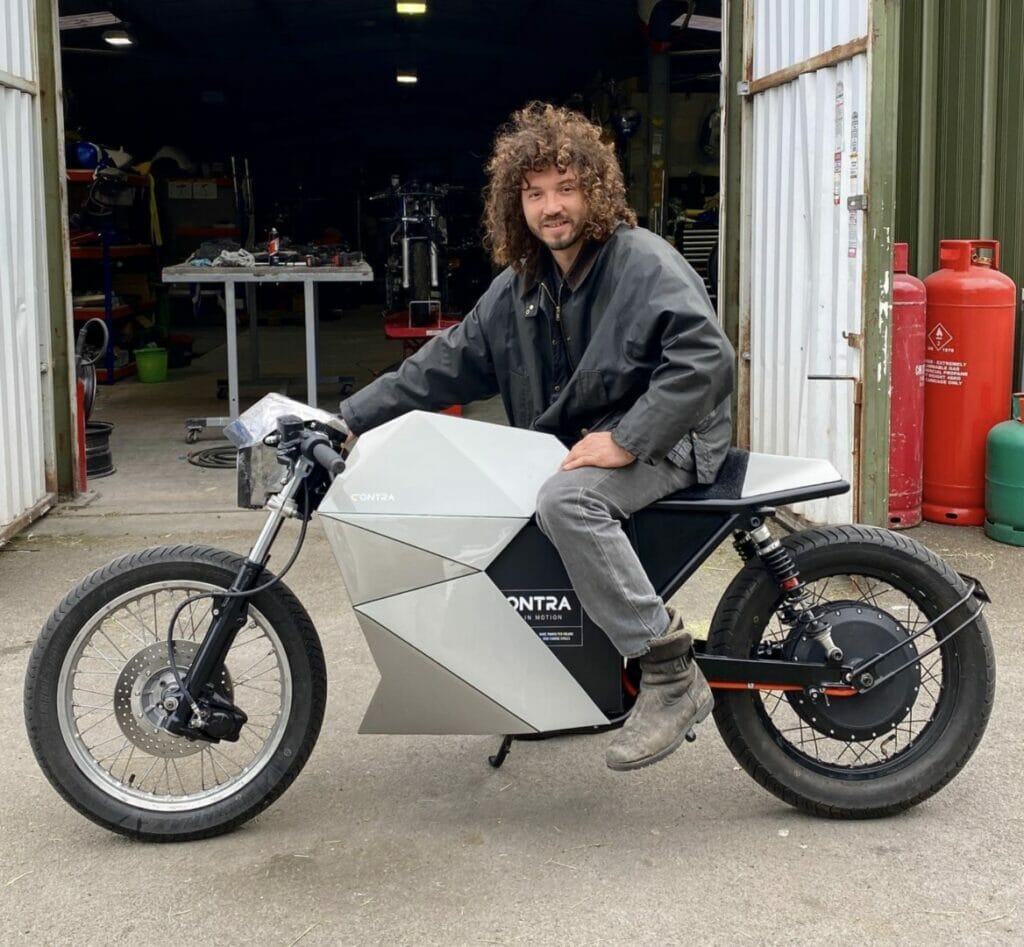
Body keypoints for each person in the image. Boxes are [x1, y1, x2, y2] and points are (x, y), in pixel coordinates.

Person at [341, 102, 735, 770]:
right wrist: (349, 417)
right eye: (535, 193)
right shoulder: (523, 284)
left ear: (596, 190)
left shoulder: (640, 262)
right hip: (598, 432)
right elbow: (442, 363)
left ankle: (669, 670)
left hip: (677, 432)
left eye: (565, 188)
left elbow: (708, 358)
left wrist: (631, 439)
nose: (551, 206)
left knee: (568, 502)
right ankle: (564, 672)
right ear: (514, 203)